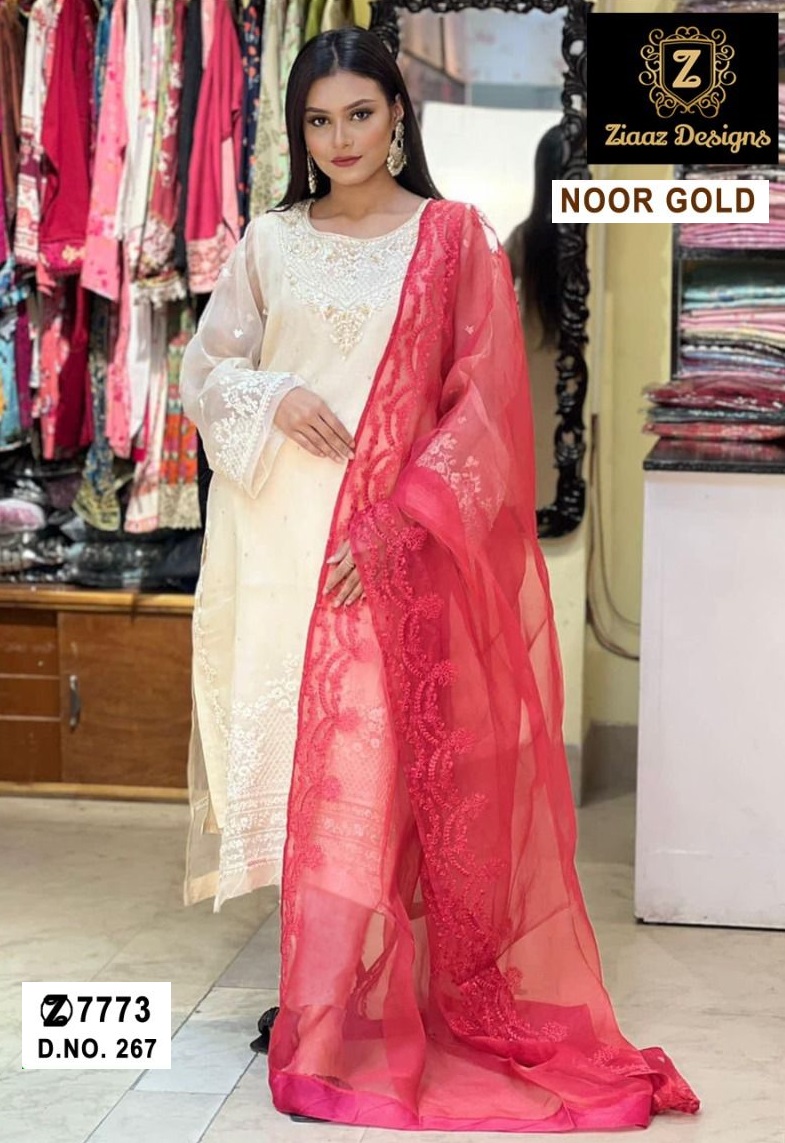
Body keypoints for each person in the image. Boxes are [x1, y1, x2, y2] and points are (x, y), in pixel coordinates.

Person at [180, 26, 699, 1132]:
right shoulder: (270, 240)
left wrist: (396, 529)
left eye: (358, 114)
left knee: (372, 779)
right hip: (276, 542)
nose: (339, 140)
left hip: (385, 553)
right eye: (317, 121)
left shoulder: (449, 237)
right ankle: (321, 993)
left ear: (397, 116)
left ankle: (344, 1010)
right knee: (302, 770)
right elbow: (206, 368)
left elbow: (481, 413)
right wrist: (271, 394)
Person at [505, 122, 563, 508]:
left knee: (539, 468)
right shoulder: (598, 240)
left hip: (533, 370)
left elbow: (485, 294)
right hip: (571, 366)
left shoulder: (525, 238)